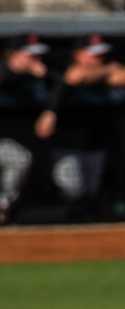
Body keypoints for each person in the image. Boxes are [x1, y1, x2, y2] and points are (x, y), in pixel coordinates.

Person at [45, 34, 125, 219]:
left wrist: (101, 73)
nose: (99, 59)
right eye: (93, 54)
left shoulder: (106, 67)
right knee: (73, 194)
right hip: (67, 146)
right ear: (78, 55)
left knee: (92, 197)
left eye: (101, 55)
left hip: (96, 146)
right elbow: (75, 77)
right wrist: (107, 72)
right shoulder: (65, 68)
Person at [0, 34, 53, 225]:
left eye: (38, 56)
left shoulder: (36, 77)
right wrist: (14, 71)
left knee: (20, 159)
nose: (35, 61)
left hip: (8, 141)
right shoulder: (5, 72)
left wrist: (50, 111)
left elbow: (63, 82)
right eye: (30, 56)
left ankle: (3, 206)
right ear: (13, 55)